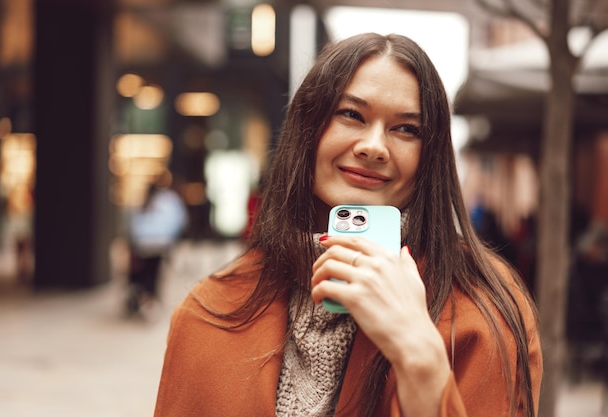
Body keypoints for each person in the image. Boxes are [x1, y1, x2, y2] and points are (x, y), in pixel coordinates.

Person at [154, 33, 542, 416]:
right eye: (351, 114)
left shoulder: (485, 309)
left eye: (406, 128)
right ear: (308, 130)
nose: (373, 146)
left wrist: (421, 357)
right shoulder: (208, 312)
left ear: (431, 156)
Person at [125, 177, 188, 319]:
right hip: (159, 244)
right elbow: (179, 221)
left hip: (143, 245)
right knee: (153, 274)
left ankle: (145, 299)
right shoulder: (169, 200)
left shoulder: (142, 200)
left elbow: (132, 223)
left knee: (144, 274)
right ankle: (150, 300)